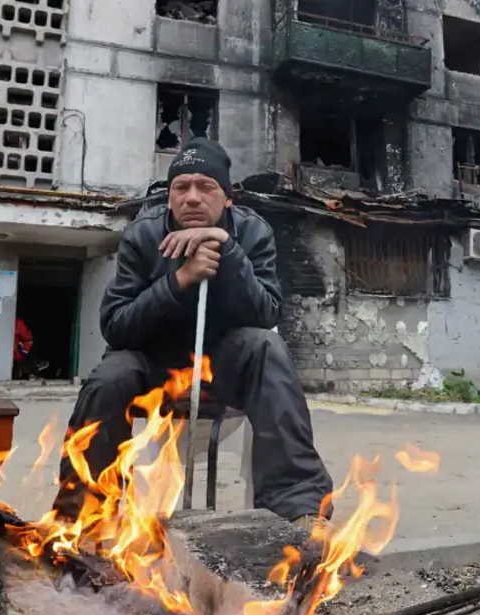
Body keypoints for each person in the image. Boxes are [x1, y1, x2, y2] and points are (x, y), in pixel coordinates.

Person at [52, 137, 334, 525]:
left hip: (222, 366)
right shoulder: (143, 235)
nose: (192, 198)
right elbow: (116, 326)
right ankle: (82, 515)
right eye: (181, 188)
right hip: (153, 364)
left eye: (206, 187)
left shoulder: (253, 233)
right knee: (109, 377)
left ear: (228, 197)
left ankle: (300, 508)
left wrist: (227, 250)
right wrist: (180, 280)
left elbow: (266, 310)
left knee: (266, 346)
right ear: (169, 198)